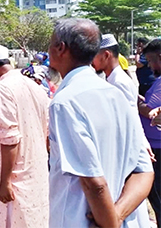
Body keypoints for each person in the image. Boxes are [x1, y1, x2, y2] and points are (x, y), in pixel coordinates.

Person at [47, 18, 154, 227]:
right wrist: (118, 214)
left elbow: (93, 183)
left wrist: (110, 221)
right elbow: (144, 171)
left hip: (80, 220)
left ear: (60, 48)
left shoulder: (65, 102)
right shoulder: (115, 95)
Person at [0, 43, 50, 227]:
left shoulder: (2, 88)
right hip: (37, 173)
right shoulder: (34, 85)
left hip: (16, 179)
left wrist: (5, 182)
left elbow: (10, 139)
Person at [93, 34, 152, 227]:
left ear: (106, 55)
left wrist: (142, 144)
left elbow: (130, 118)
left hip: (127, 146)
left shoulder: (118, 82)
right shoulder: (113, 79)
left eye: (95, 55)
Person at [137, 38, 161, 224]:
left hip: (157, 150)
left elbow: (149, 110)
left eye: (151, 60)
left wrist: (137, 102)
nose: (150, 66)